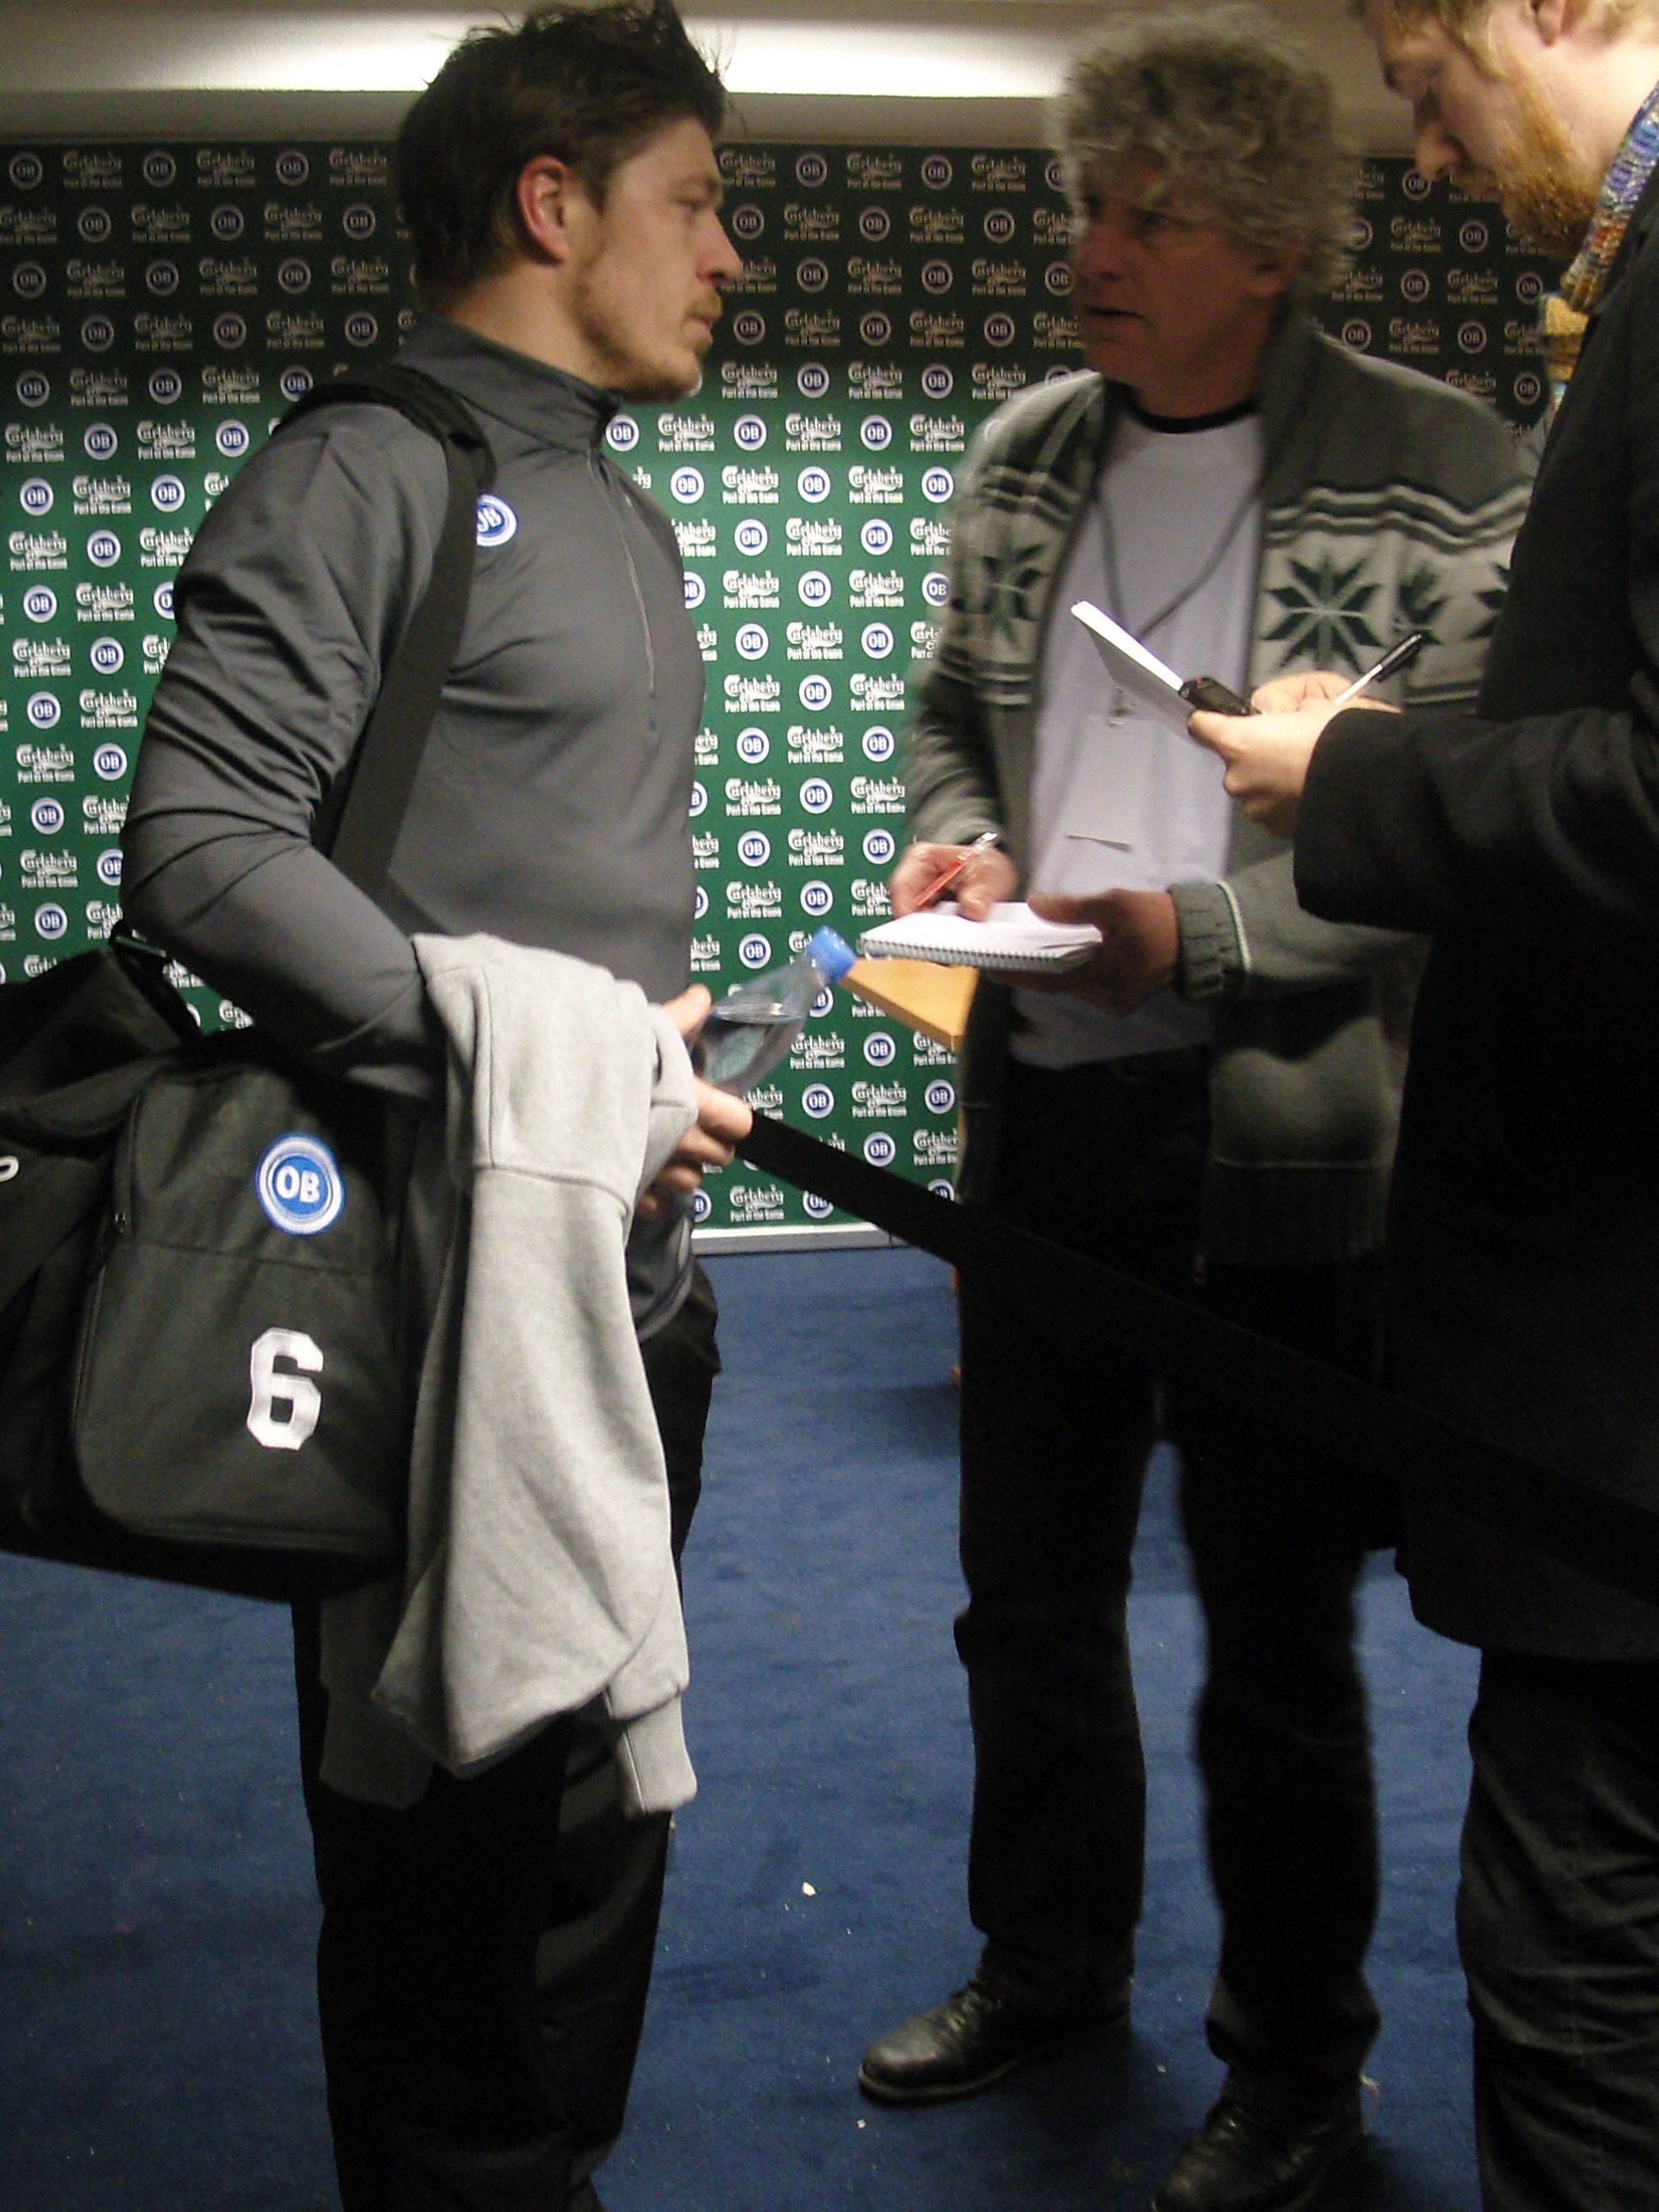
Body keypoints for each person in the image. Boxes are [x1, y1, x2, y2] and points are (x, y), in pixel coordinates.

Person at [856, 11, 1531, 2211]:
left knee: (1273, 1637)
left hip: (1284, 1148)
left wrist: (1199, 940)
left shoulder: (1442, 470)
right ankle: (1048, 1969)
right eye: (1090, 206)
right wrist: (961, 845)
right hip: (1044, 1114)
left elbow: (1455, 833)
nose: (1096, 251)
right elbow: (955, 714)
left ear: (1269, 247)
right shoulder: (1025, 457)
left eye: (1149, 219)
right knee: (1027, 1595)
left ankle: (1294, 2065)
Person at [118, 6, 749, 2208]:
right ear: (552, 204)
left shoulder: (612, 502)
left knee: (591, 1807)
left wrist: (641, 1073)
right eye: (695, 202)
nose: (729, 255)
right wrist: (542, 1060)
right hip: (417, 1288)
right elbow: (202, 843)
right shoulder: (371, 466)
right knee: (440, 1836)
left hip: (628, 1280)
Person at [1185, 2, 1659, 2204]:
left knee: (1578, 1986)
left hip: (1622, 1373)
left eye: (1425, 81)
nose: (1433, 153)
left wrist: (1360, 780)